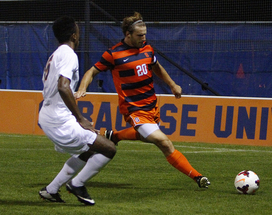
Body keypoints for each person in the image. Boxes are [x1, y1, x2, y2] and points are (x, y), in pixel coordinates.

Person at [75, 12, 210, 189]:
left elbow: (157, 67)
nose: (143, 38)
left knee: (147, 137)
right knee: (163, 142)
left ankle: (114, 136)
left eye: (145, 34)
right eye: (140, 35)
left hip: (152, 106)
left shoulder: (147, 48)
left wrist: (172, 84)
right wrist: (82, 88)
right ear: (128, 35)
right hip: (134, 109)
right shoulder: (114, 54)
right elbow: (92, 71)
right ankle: (198, 177)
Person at [38, 16, 116, 206]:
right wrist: (80, 118)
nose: (79, 32)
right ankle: (77, 184)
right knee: (108, 148)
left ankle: (51, 190)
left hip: (52, 114)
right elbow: (63, 86)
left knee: (90, 149)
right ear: (74, 35)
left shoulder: (58, 53)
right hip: (58, 119)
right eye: (78, 30)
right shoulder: (68, 54)